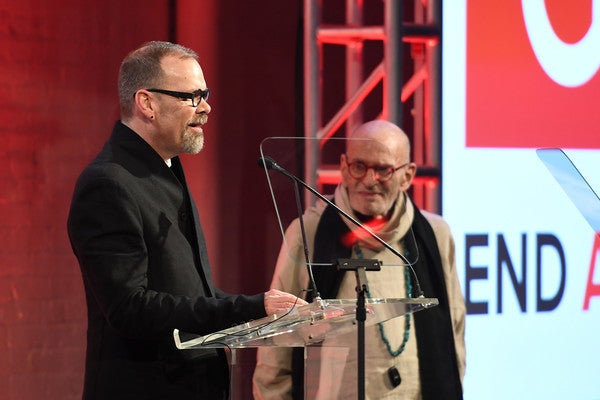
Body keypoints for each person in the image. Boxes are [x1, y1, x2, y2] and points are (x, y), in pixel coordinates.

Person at [67, 41, 306, 400]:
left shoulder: (165, 169)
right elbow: (130, 307)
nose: (206, 108)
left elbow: (188, 297)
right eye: (192, 96)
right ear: (147, 103)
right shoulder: (108, 184)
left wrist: (265, 311)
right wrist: (250, 307)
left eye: (204, 94)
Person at [253, 120, 465, 399]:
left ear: (407, 175)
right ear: (343, 166)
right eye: (359, 166)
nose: (369, 180)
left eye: (383, 170)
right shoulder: (309, 232)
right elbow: (277, 337)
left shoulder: (434, 233)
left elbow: (454, 332)